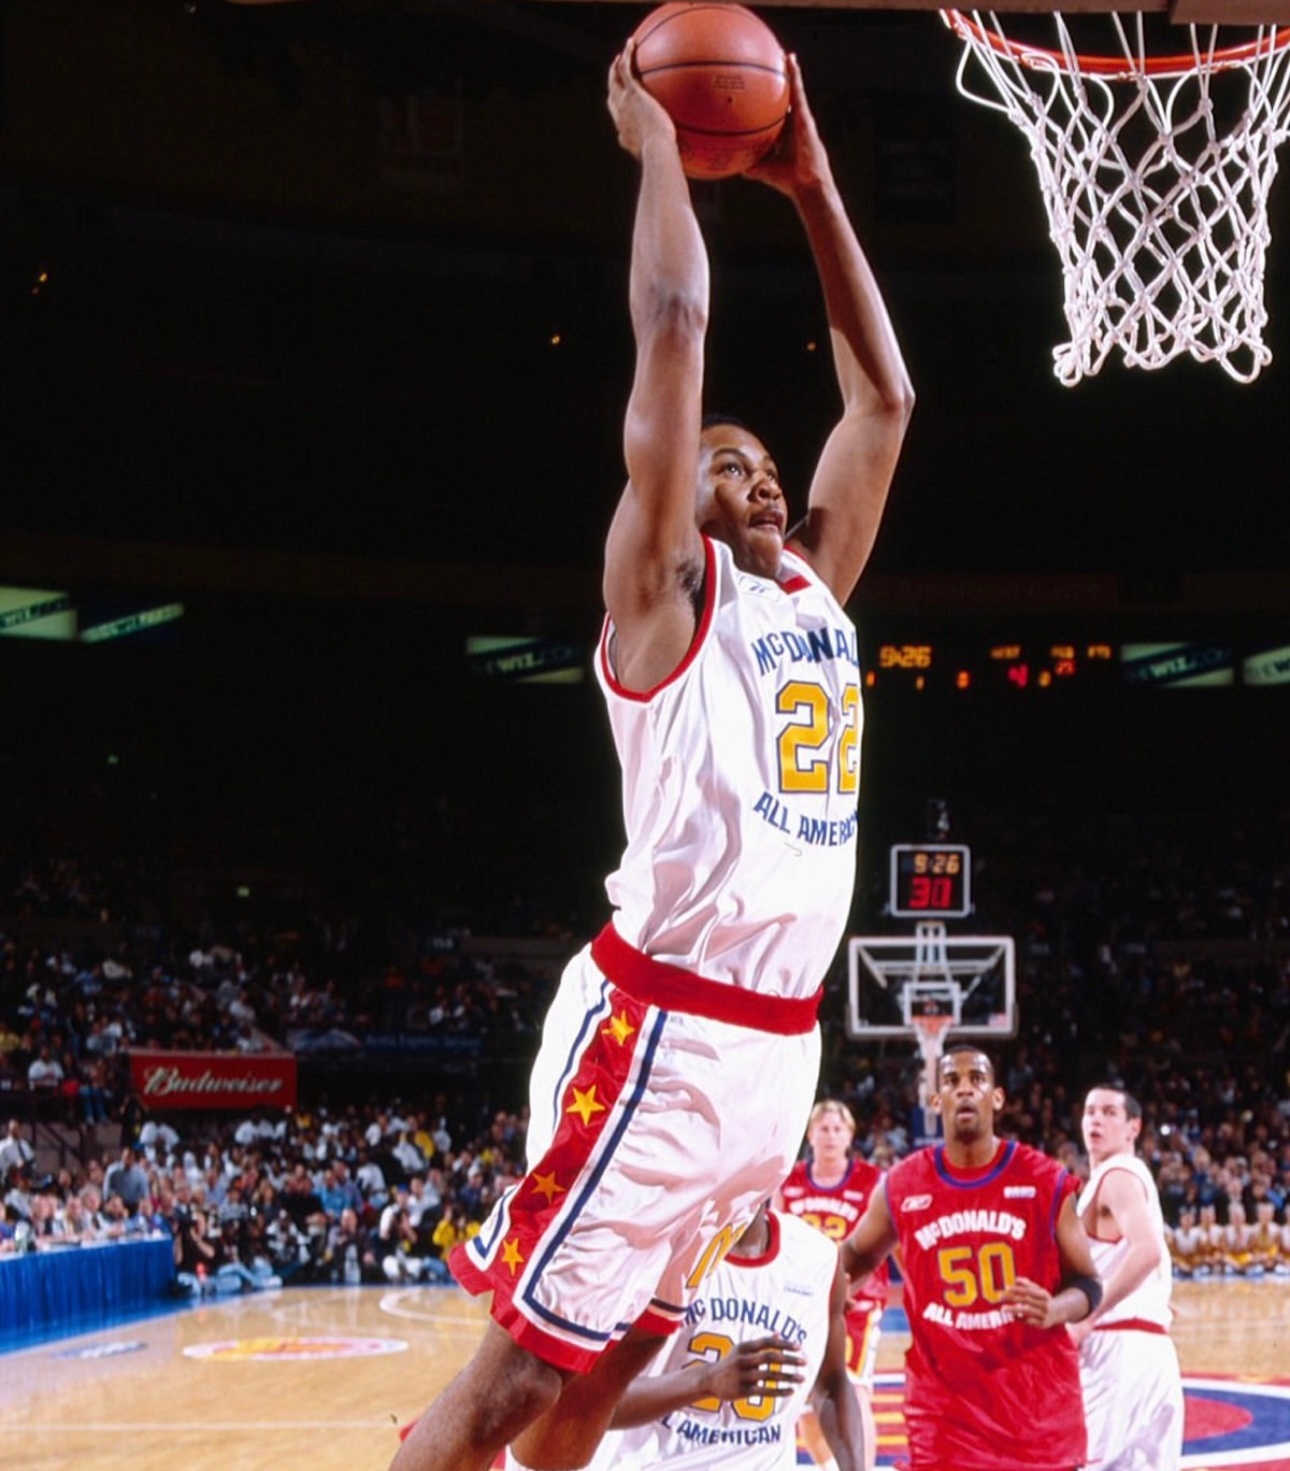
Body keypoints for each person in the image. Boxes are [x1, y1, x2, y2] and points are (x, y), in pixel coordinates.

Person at [389, 36, 913, 1471]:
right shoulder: (663, 596)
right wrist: (662, 150)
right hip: (663, 1033)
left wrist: (814, 189)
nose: (759, 476)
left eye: (768, 465)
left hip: (777, 1052)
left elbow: (883, 404)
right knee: (512, 1385)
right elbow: (676, 319)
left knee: (588, 1397)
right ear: (684, 500)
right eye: (727, 463)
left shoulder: (810, 595)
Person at [841, 1045, 1100, 1471]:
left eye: (976, 1080)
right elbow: (855, 1253)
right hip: (945, 1420)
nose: (964, 1089)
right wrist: (822, 1291)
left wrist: (1055, 1309)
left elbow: (1089, 1284)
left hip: (1036, 1415)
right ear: (935, 1100)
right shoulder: (903, 1185)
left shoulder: (1043, 1179)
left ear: (996, 1098)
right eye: (952, 1081)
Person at [570, 1199, 865, 1471]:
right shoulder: (653, 1249)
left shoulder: (818, 1258)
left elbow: (833, 1383)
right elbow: (588, 1404)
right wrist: (704, 1381)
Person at [1070, 1083, 1183, 1471]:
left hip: (1116, 1352)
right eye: (1090, 1111)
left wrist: (1089, 1315)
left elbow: (1147, 1251)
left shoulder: (1116, 1176)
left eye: (1109, 1112)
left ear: (1133, 1127)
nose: (1096, 1120)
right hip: (1153, 1351)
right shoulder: (1131, 1177)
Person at [775, 1099, 888, 1471]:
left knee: (853, 1388)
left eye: (838, 1129)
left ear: (850, 1136)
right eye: (823, 1128)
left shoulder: (872, 1181)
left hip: (857, 1301)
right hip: (802, 1302)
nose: (830, 1135)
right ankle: (828, 1467)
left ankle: (861, 1467)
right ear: (810, 1135)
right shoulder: (788, 1181)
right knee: (805, 1404)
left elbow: (885, 1242)